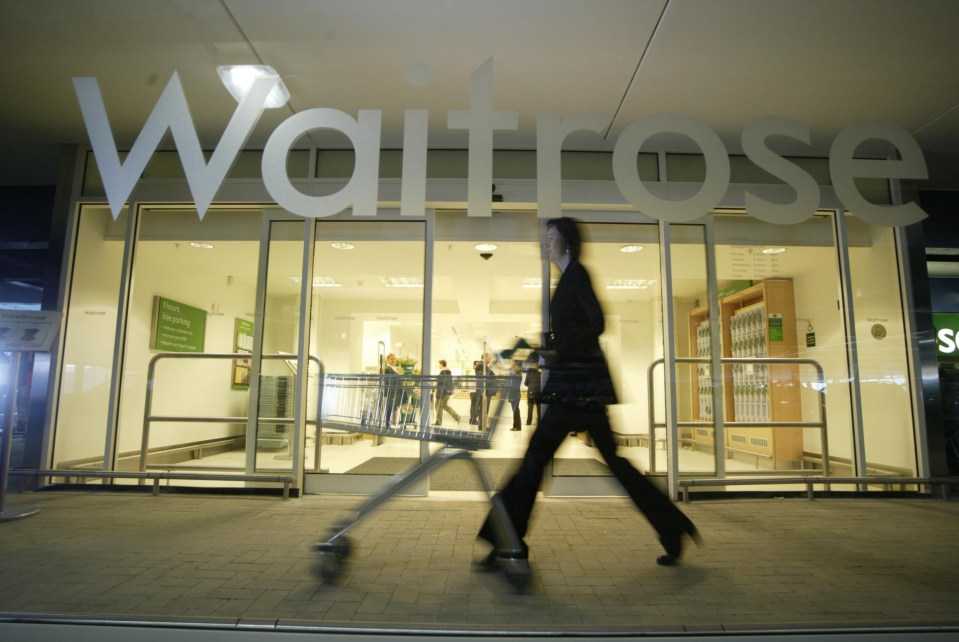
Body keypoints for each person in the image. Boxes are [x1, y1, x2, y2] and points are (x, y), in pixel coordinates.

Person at [476, 216, 701, 568]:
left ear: (567, 241)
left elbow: (596, 324)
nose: (546, 242)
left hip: (576, 391)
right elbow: (575, 332)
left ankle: (506, 540)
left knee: (533, 464)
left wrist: (554, 352)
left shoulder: (577, 274)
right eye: (545, 237)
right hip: (584, 391)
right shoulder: (567, 279)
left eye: (552, 237)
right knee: (612, 464)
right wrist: (535, 350)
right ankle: (672, 526)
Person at [434, 359, 460, 425]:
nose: (438, 365)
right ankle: (456, 416)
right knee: (444, 406)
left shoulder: (443, 373)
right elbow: (450, 383)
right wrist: (451, 390)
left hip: (442, 393)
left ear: (442, 364)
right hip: (446, 393)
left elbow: (441, 382)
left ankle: (439, 421)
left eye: (439, 364)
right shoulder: (448, 373)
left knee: (438, 406)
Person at [381, 352, 404, 427]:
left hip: (395, 391)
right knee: (390, 407)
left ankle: (391, 423)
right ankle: (388, 424)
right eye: (391, 359)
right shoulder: (388, 369)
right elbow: (388, 381)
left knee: (393, 407)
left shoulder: (394, 368)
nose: (393, 360)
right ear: (387, 360)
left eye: (394, 359)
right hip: (391, 391)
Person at [506, 361, 523, 431]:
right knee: (515, 411)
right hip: (513, 395)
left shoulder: (518, 375)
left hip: (515, 395)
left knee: (516, 411)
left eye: (511, 363)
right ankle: (515, 425)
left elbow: (512, 378)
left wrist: (510, 369)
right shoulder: (515, 374)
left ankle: (517, 426)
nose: (510, 364)